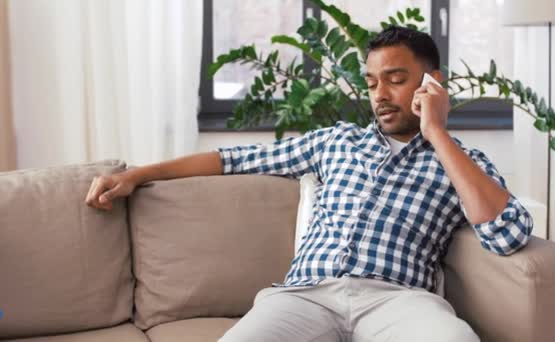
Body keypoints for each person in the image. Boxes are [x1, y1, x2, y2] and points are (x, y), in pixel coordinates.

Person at [86, 26, 532, 342]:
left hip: (399, 301)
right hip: (306, 297)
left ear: (433, 84)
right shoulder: (335, 141)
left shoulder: (462, 163)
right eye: (372, 82)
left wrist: (436, 133)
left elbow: (506, 232)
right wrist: (136, 175)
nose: (379, 94)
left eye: (396, 80)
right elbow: (233, 159)